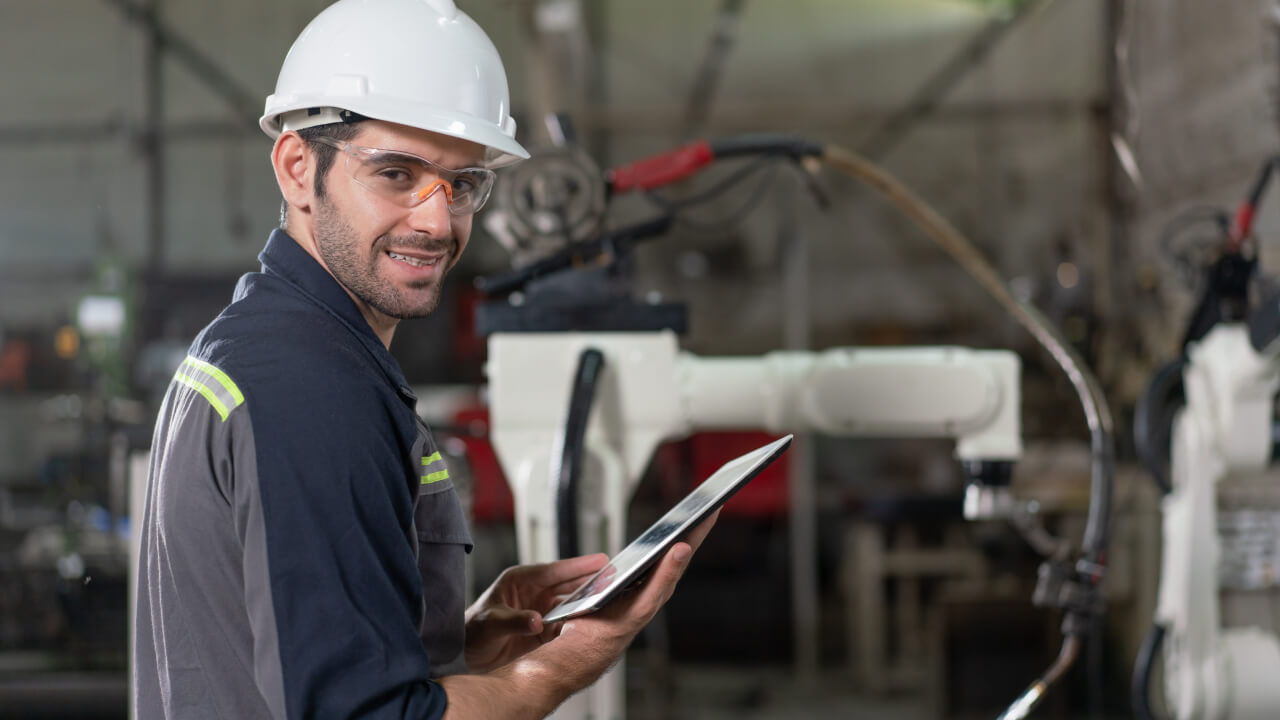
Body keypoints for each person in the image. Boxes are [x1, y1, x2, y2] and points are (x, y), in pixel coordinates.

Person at [131, 0, 717, 718]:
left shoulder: (252, 345)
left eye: (462, 182)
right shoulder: (310, 388)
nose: (437, 220)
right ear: (295, 167)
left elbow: (279, 652)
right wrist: (558, 670)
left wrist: (463, 640)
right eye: (396, 174)